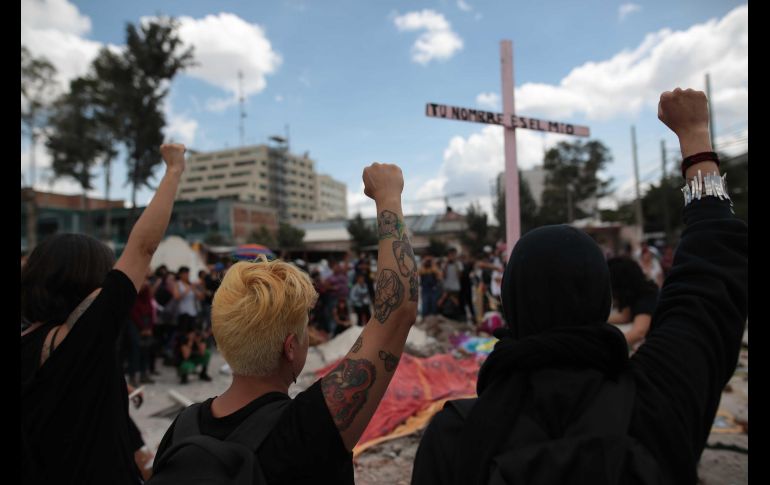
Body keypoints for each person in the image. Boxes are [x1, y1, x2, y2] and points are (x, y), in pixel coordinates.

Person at [411, 89, 747, 485]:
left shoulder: (455, 435)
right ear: (601, 297)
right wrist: (695, 139)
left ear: (510, 304)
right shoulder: (661, 397)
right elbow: (709, 279)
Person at [151, 162, 418, 484]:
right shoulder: (306, 428)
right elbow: (397, 313)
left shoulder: (182, 428)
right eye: (304, 329)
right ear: (290, 347)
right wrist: (388, 196)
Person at [21, 143, 187, 484]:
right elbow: (142, 247)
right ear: (87, 280)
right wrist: (174, 170)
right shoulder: (82, 338)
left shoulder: (30, 342)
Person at [607, 257, 660, 351]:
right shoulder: (634, 295)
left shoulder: (647, 296)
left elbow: (639, 333)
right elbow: (624, 316)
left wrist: (604, 347)